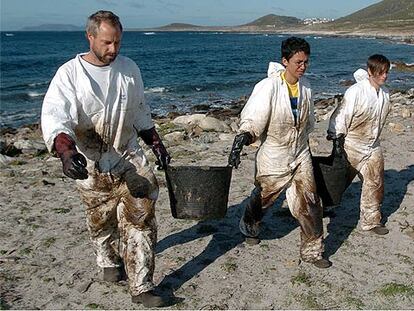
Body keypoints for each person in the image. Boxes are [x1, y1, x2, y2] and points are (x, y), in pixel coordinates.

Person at [41, 10, 171, 307]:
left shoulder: (129, 70)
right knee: (101, 222)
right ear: (90, 37)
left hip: (128, 157)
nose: (113, 50)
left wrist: (157, 145)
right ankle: (108, 260)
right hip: (91, 161)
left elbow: (139, 110)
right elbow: (55, 115)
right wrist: (66, 151)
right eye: (107, 43)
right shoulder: (70, 75)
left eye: (117, 43)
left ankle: (142, 286)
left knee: (141, 216)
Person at [228, 37, 331, 268]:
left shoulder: (307, 87)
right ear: (285, 61)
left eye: (306, 62)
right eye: (298, 62)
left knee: (310, 201)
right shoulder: (268, 87)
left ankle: (313, 251)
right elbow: (254, 116)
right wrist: (243, 137)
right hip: (274, 153)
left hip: (300, 151)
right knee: (264, 198)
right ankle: (249, 224)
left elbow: (310, 120)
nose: (303, 67)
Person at [327, 54, 391, 235]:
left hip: (372, 146)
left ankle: (371, 221)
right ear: (370, 71)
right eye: (380, 72)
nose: (384, 76)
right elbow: (341, 115)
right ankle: (324, 206)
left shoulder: (385, 93)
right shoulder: (355, 91)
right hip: (352, 144)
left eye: (386, 72)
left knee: (375, 183)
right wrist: (336, 137)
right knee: (338, 181)